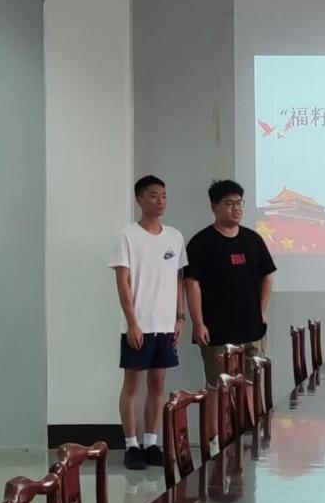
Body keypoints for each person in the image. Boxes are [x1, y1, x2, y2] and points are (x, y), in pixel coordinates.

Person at [185, 180, 276, 456]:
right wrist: (198, 322)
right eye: (229, 203)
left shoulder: (252, 240)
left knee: (250, 382)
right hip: (217, 330)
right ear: (214, 206)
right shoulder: (201, 242)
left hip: (252, 329)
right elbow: (192, 284)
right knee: (217, 387)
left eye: (239, 203)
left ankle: (248, 436)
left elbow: (267, 275)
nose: (236, 208)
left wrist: (262, 310)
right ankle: (214, 443)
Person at [109, 175, 188, 470]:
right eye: (153, 195)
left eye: (164, 195)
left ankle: (151, 443)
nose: (160, 201)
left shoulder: (175, 237)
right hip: (139, 325)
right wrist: (132, 323)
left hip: (166, 326)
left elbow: (179, 279)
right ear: (139, 199)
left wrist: (180, 317)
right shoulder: (128, 236)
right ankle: (131, 445)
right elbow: (123, 282)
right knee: (133, 384)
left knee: (158, 383)